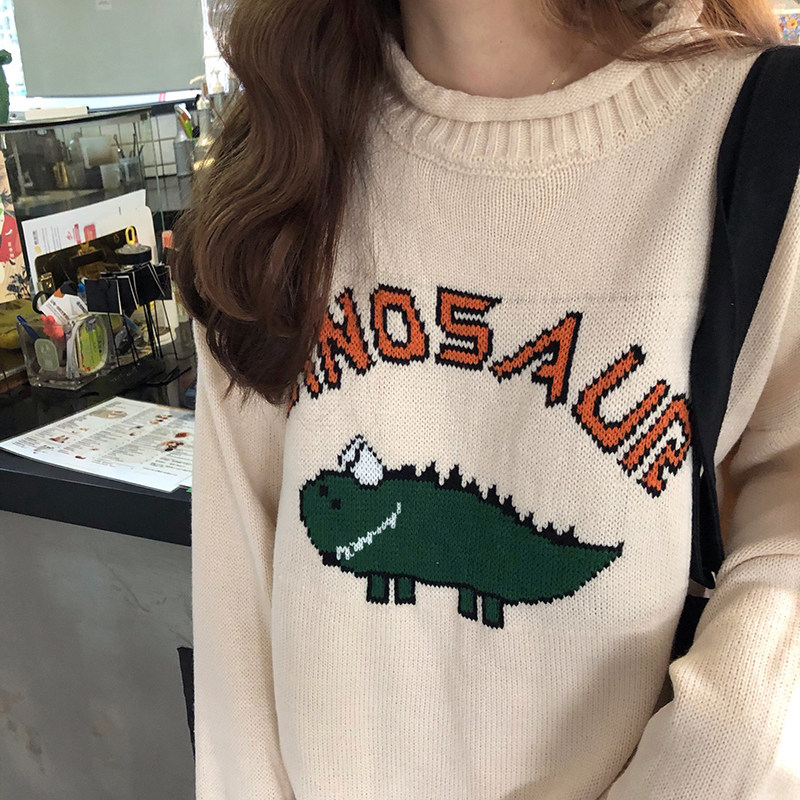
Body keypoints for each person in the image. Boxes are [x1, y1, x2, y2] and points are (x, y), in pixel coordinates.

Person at [175, 0, 800, 797]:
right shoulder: (277, 152)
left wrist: (711, 750)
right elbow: (236, 623)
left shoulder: (764, 141)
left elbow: (784, 512)